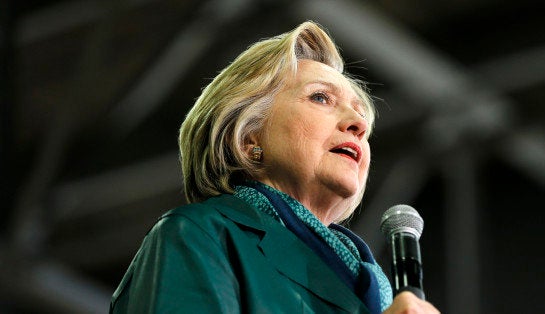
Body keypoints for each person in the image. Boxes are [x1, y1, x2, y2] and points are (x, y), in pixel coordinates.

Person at [109, 21, 439, 314]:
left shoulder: (376, 291)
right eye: (321, 98)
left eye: (360, 114)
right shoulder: (202, 235)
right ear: (248, 137)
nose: (358, 125)